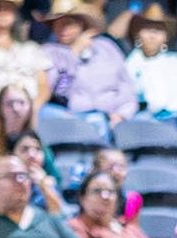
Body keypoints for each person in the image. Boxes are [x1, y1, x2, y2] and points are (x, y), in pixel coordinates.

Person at [38, 0, 135, 137]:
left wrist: (122, 114)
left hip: (113, 116)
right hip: (73, 119)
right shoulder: (50, 52)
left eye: (68, 23)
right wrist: (73, 54)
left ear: (81, 23)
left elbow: (127, 87)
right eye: (57, 24)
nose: (62, 29)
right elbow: (59, 91)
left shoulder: (107, 47)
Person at [123, 3, 177, 128]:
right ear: (138, 34)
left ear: (165, 37)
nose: (152, 36)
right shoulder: (131, 63)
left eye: (158, 30)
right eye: (148, 29)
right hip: (147, 119)